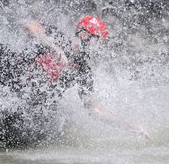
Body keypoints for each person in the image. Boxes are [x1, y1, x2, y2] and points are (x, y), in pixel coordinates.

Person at [21, 16, 150, 140]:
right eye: (97, 41)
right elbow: (29, 25)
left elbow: (94, 109)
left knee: (64, 124)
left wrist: (132, 127)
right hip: (16, 86)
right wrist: (55, 49)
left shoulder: (83, 71)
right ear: (84, 35)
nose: (98, 47)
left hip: (33, 106)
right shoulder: (58, 37)